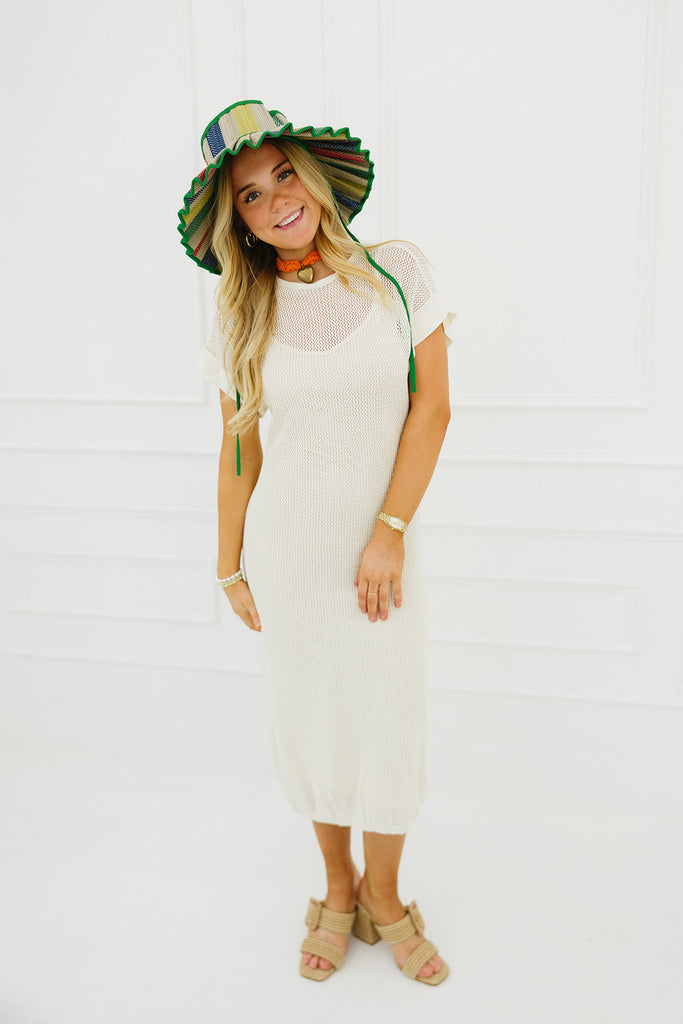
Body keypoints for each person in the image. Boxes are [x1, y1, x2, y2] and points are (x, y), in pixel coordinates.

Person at [178, 100, 455, 985]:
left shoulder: (396, 272)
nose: (276, 201)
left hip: (381, 554)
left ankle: (385, 895)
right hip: (289, 555)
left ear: (314, 176)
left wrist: (389, 531)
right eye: (250, 195)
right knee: (314, 722)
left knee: (387, 723)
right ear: (238, 222)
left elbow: (432, 408)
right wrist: (227, 565)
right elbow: (239, 450)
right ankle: (337, 889)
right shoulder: (240, 312)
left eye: (283, 175)